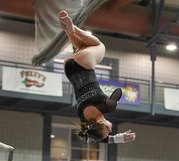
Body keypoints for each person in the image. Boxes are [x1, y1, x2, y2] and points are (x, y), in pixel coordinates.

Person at [58, 10, 136, 144]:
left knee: (99, 46)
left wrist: (114, 102)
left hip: (85, 65)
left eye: (108, 130)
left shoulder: (107, 107)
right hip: (69, 68)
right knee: (83, 46)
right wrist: (118, 139)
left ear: (100, 121)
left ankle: (73, 28)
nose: (110, 131)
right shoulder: (84, 120)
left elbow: (119, 92)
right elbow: (98, 136)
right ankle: (69, 31)